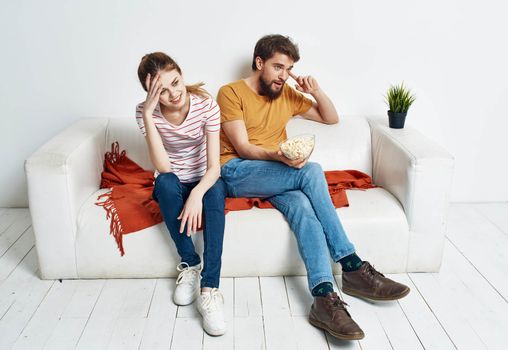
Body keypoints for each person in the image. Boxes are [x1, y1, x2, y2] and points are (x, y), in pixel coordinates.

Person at [217, 35, 410, 340]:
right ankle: (351, 264)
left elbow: (330, 118)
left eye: (289, 68)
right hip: (237, 172)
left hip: (276, 174)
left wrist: (315, 91)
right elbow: (242, 147)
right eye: (278, 66)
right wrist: (278, 156)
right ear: (259, 63)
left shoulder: (286, 95)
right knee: (312, 171)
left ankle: (323, 297)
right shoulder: (230, 92)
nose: (283, 75)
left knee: (305, 211)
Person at [136, 52, 226, 336]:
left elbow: (215, 168)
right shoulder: (144, 112)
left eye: (175, 83)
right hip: (173, 180)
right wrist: (150, 116)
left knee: (214, 193)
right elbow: (163, 168)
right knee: (164, 183)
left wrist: (197, 194)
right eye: (161, 91)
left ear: (182, 75)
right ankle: (190, 263)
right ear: (150, 95)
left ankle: (209, 287)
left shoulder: (207, 106)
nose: (173, 94)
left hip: (205, 178)